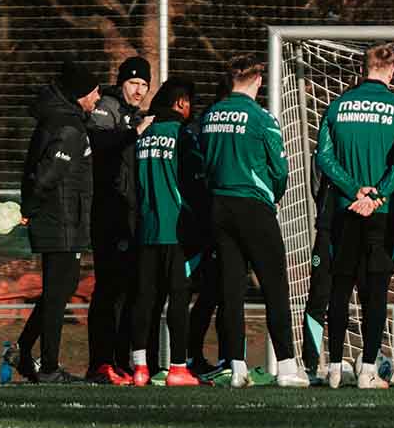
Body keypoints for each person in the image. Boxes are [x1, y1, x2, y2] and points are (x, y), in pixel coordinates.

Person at [302, 44, 394, 390]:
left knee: (340, 287)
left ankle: (335, 368)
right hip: (382, 212)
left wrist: (354, 191)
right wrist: (376, 195)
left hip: (344, 210)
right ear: (391, 71)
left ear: (362, 69)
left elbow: (324, 158)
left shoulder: (337, 107)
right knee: (376, 289)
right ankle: (368, 370)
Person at [201, 54, 305, 388]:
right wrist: (273, 195)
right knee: (274, 284)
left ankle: (237, 366)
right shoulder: (262, 118)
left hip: (218, 205)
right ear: (258, 81)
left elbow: (203, 162)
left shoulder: (209, 115)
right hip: (253, 205)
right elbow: (280, 169)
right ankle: (287, 366)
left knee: (231, 288)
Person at [11, 60, 99, 384]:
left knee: (58, 291)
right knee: (57, 293)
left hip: (63, 219)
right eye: (94, 92)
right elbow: (47, 176)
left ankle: (22, 351)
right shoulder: (69, 128)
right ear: (80, 94)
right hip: (62, 221)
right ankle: (48, 367)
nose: (97, 98)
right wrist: (30, 209)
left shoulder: (61, 121)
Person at [130, 77, 205, 387]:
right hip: (175, 228)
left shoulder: (143, 134)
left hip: (147, 228)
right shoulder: (181, 135)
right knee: (178, 296)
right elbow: (194, 182)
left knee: (144, 297)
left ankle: (140, 367)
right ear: (181, 103)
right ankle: (178, 367)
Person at [85, 56, 152, 384]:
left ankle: (121, 361)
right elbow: (98, 143)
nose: (139, 90)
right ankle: (100, 362)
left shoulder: (136, 115)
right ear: (121, 82)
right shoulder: (107, 108)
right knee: (108, 289)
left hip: (132, 213)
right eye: (133, 83)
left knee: (129, 289)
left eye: (144, 85)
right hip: (108, 212)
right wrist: (133, 132)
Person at [184, 73, 232, 377]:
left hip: (213, 219)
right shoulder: (203, 129)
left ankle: (222, 357)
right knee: (209, 292)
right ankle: (192, 357)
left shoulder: (203, 125)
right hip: (204, 223)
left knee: (218, 292)